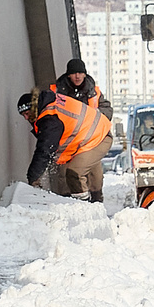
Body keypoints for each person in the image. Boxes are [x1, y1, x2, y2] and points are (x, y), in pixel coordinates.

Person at [27, 59, 113, 202]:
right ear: (68, 75)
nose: (77, 76)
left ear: (85, 74)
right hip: (68, 142)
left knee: (94, 175)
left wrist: (95, 120)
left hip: (89, 139)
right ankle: (70, 203)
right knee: (66, 175)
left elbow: (107, 109)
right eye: (74, 73)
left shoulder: (94, 91)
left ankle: (96, 203)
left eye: (80, 73)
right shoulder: (56, 91)